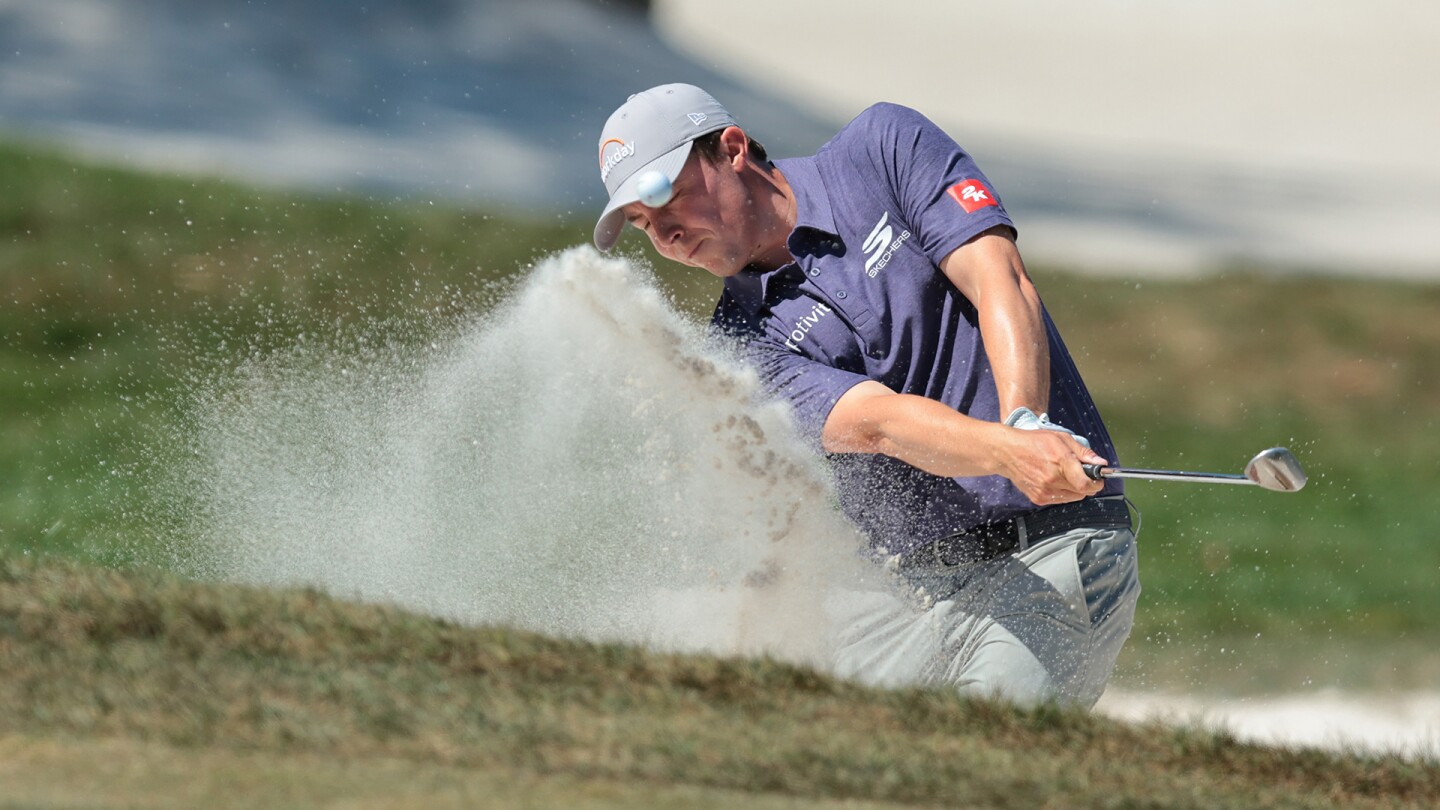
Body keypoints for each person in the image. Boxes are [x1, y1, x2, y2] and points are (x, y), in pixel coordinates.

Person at [591, 83, 1139, 707]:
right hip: (903, 599)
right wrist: (1006, 449)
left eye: (668, 197)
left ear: (733, 149)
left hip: (1049, 551)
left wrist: (1024, 424)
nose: (666, 236)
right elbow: (875, 423)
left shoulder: (882, 150)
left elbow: (999, 277)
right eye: (642, 223)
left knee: (972, 775)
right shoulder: (737, 346)